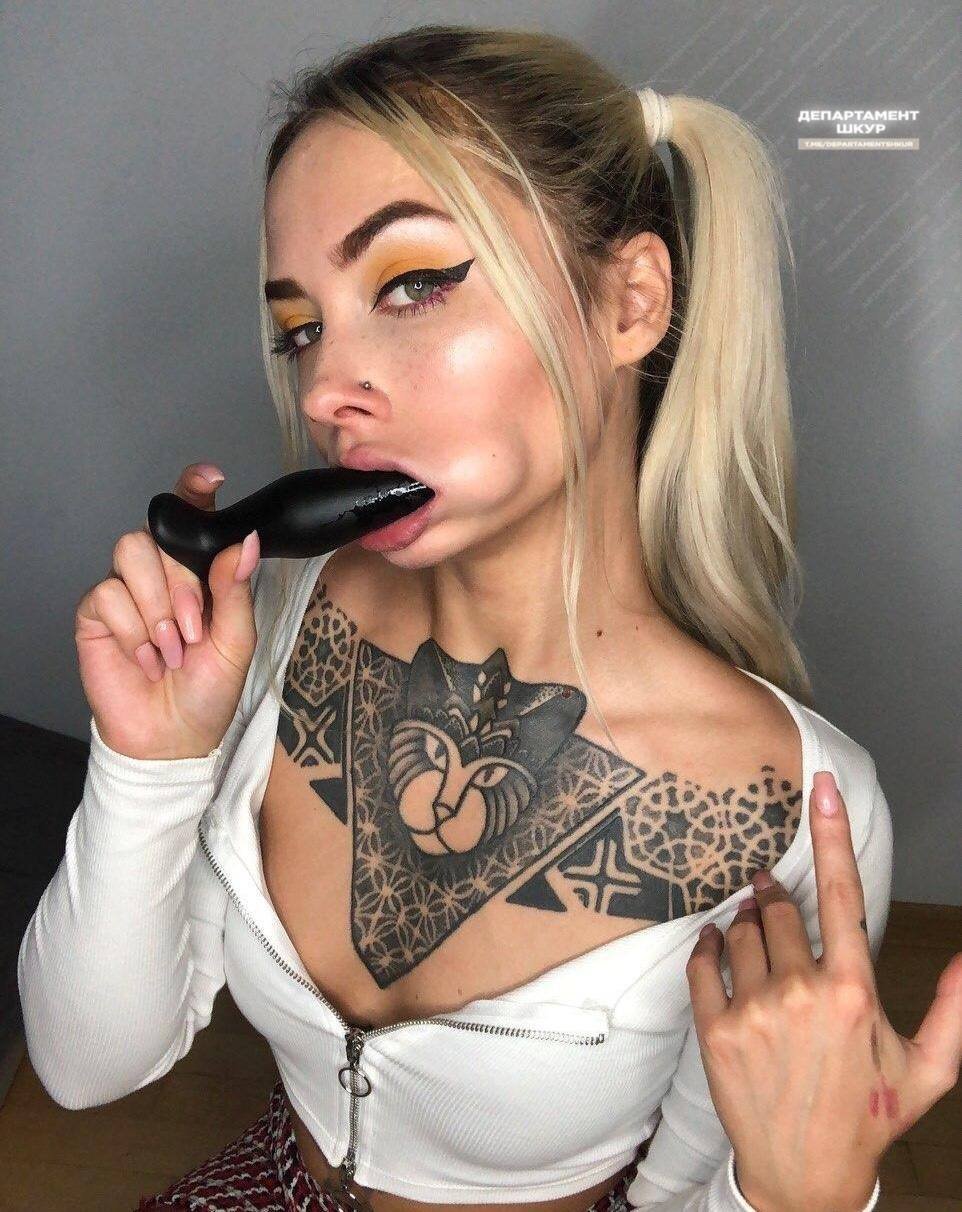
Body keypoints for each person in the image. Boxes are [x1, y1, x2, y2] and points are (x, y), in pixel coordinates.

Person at [18, 23, 961, 1212]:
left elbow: (680, 1195)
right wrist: (148, 763)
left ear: (629, 301)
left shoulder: (796, 811)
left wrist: (797, 1196)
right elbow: (86, 1067)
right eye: (302, 327)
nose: (325, 390)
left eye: (411, 284)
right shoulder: (265, 625)